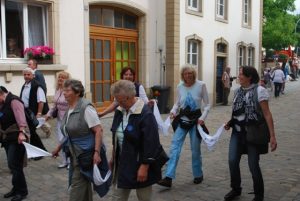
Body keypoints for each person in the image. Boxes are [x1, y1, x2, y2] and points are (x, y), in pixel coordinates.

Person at [223, 66, 277, 201]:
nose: (239, 76)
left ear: (249, 77)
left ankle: (259, 194)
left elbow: (267, 114)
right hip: (237, 133)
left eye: (241, 74)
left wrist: (272, 136)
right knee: (232, 160)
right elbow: (238, 112)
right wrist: (230, 122)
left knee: (253, 164)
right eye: (239, 73)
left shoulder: (260, 91)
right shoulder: (236, 92)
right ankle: (236, 188)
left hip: (253, 133)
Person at [158, 65, 210, 187]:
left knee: (195, 150)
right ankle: (168, 177)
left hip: (196, 121)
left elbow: (207, 105)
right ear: (183, 75)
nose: (188, 75)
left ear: (194, 74)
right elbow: (177, 103)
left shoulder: (201, 85)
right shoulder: (180, 86)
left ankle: (198, 174)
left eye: (190, 73)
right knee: (174, 147)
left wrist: (202, 118)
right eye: (185, 74)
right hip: (182, 120)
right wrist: (173, 111)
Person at [110, 80, 161, 201]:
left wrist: (145, 166)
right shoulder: (119, 111)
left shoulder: (145, 114)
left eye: (121, 101)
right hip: (122, 160)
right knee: (117, 196)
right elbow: (116, 135)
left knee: (143, 197)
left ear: (130, 97)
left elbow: (151, 143)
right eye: (117, 100)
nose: (119, 104)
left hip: (140, 161)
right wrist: (113, 157)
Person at [52, 79, 103, 201]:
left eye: (67, 90)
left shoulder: (86, 108)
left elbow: (98, 131)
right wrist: (59, 147)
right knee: (83, 183)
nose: (64, 93)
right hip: (75, 152)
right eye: (64, 90)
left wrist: (97, 152)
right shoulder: (70, 107)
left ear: (77, 92)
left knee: (76, 184)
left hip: (85, 154)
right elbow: (69, 132)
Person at [0, 86, 29, 201]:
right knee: (12, 165)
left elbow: (22, 120)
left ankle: (22, 191)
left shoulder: (14, 101)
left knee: (15, 165)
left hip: (17, 137)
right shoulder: (3, 103)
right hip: (8, 138)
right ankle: (15, 188)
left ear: (1, 94)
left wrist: (22, 133)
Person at [20, 68, 48, 155]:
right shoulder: (24, 85)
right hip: (25, 112)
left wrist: (38, 113)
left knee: (32, 132)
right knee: (30, 132)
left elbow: (41, 101)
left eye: (28, 75)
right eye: (25, 75)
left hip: (32, 112)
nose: (26, 76)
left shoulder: (37, 86)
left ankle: (41, 151)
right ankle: (35, 151)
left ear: (33, 76)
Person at [45, 71, 70, 168]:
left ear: (67, 80)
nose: (60, 79)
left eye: (63, 78)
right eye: (59, 77)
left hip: (69, 118)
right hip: (60, 118)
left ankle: (71, 161)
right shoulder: (58, 90)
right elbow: (54, 105)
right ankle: (64, 161)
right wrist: (48, 114)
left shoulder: (68, 90)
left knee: (68, 140)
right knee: (61, 140)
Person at [28, 59, 52, 137]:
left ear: (35, 65)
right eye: (28, 64)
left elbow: (41, 87)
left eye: (30, 64)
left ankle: (47, 128)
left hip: (37, 100)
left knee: (35, 117)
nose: (28, 66)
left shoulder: (37, 74)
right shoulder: (31, 74)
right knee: (33, 117)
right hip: (34, 100)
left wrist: (41, 100)